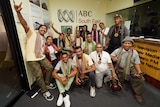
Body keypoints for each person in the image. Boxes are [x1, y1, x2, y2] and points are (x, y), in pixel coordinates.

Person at [13, 1, 54, 101]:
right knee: (39, 75)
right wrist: (18, 12)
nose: (44, 29)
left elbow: (41, 48)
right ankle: (45, 91)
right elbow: (24, 24)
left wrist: (45, 52)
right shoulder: (32, 33)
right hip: (32, 58)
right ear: (38, 29)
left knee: (49, 67)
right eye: (42, 28)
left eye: (45, 29)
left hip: (41, 57)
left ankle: (47, 84)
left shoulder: (43, 38)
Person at [111, 36, 145, 104]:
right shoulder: (118, 50)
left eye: (129, 43)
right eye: (125, 43)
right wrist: (113, 58)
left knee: (141, 79)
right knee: (116, 81)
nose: (127, 45)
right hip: (120, 67)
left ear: (131, 44)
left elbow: (136, 63)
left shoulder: (134, 52)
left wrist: (139, 72)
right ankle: (123, 80)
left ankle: (137, 93)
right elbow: (111, 55)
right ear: (122, 44)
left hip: (131, 67)